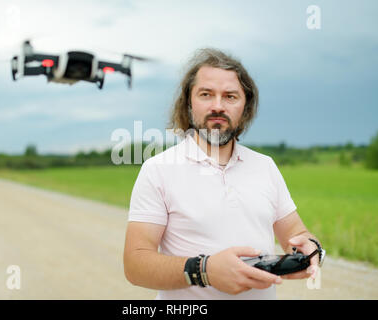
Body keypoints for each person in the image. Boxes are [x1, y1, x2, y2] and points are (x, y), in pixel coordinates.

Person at [123, 48, 324, 299]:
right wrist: (204, 270)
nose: (218, 106)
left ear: (245, 107)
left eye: (230, 97)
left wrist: (312, 249)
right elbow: (136, 265)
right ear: (188, 103)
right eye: (206, 94)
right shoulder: (157, 170)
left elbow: (297, 233)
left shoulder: (265, 166)